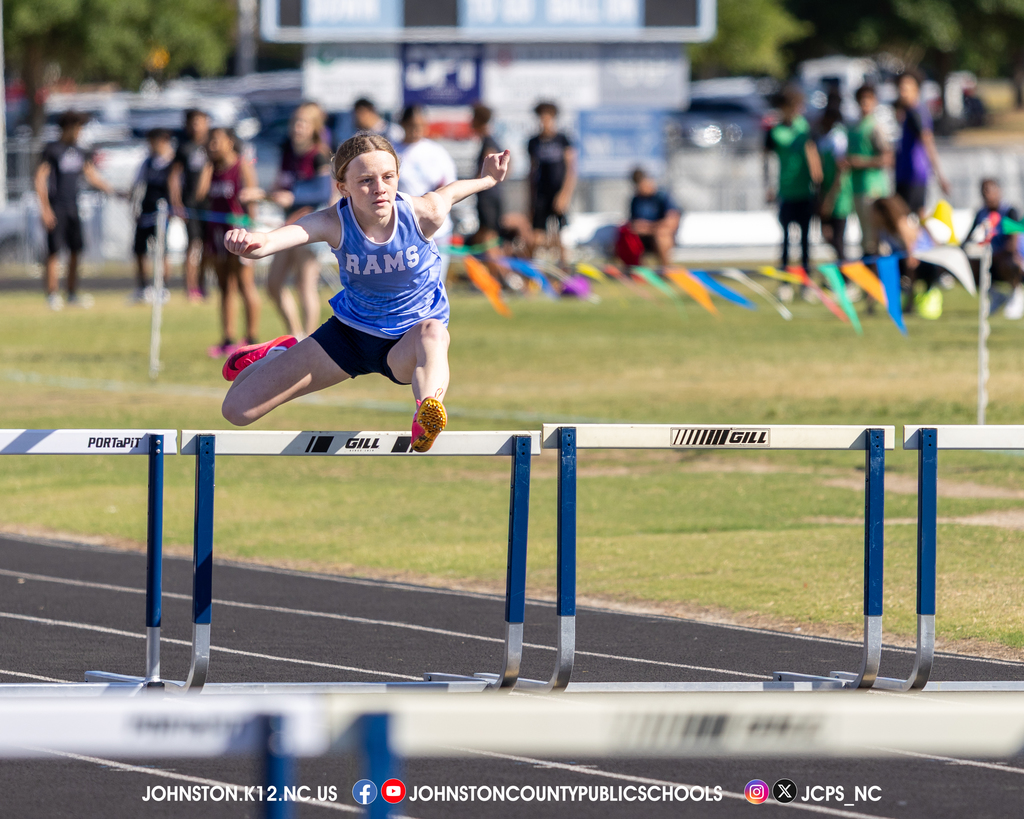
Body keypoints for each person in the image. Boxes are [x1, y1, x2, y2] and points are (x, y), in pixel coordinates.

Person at [217, 134, 510, 454]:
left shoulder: (424, 212)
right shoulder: (333, 221)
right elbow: (284, 237)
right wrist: (254, 243)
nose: (380, 188)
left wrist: (486, 178)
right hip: (349, 337)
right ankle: (279, 352)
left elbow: (451, 191)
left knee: (434, 333)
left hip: (406, 342)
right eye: (366, 180)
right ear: (344, 187)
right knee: (237, 410)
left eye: (388, 177)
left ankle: (427, 413)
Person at [34, 111, 116, 310]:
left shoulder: (80, 150)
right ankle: (52, 294)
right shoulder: (52, 150)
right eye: (78, 127)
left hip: (73, 207)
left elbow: (90, 173)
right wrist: (45, 208)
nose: (80, 132)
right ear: (68, 127)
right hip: (56, 207)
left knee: (75, 251)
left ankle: (71, 293)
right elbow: (40, 178)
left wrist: (111, 189)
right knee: (54, 251)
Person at [266, 102, 334, 338]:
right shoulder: (287, 151)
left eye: (302, 123)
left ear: (313, 127)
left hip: (310, 227)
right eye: (295, 123)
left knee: (305, 286)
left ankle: (310, 339)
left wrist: (293, 196)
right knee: (273, 284)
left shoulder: (318, 156)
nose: (297, 128)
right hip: (287, 226)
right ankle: (295, 336)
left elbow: (323, 192)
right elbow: (281, 183)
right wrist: (265, 194)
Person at [195, 128, 262, 357]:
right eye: (210, 142)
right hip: (217, 234)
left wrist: (252, 231)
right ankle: (227, 339)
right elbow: (200, 194)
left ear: (230, 142)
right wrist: (207, 165)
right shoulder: (212, 169)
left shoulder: (242, 165)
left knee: (245, 284)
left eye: (217, 141)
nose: (212, 145)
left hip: (240, 232)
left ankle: (252, 338)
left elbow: (252, 199)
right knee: (224, 287)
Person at [764, 86, 823, 278]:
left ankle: (806, 279)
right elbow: (766, 160)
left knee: (806, 240)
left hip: (805, 191)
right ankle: (785, 281)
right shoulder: (774, 131)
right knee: (786, 238)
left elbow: (813, 156)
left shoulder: (805, 129)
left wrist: (818, 184)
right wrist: (769, 186)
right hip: (786, 191)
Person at [396, 105, 458, 282]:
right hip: (404, 229)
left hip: (438, 229)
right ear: (402, 124)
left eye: (420, 124)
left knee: (435, 282)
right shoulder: (392, 152)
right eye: (412, 124)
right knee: (409, 284)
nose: (416, 129)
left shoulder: (436, 152)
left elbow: (449, 187)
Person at [961, 178, 1024, 319]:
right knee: (965, 265)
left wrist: (991, 255)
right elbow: (968, 239)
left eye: (988, 191)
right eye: (983, 192)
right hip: (988, 260)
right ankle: (995, 295)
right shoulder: (981, 214)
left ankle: (1016, 294)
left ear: (998, 191)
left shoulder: (1010, 211)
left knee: (1010, 262)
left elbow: (1012, 245)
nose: (986, 195)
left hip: (1008, 260)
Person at [871, 195, 943, 317]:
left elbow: (911, 253)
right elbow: (876, 251)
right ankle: (873, 303)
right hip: (902, 259)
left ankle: (909, 302)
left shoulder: (901, 223)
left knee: (909, 267)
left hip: (925, 260)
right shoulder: (880, 228)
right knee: (879, 267)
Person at [894, 70, 950, 220]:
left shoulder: (918, 112)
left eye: (906, 88)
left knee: (912, 216)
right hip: (903, 172)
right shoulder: (906, 112)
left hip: (914, 174)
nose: (902, 92)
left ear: (916, 89)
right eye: (900, 88)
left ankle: (930, 241)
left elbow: (928, 142)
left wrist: (940, 176)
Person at [168, 109, 211, 302]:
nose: (197, 126)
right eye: (194, 122)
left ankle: (204, 285)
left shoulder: (214, 144)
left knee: (210, 247)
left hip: (211, 204)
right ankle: (190, 288)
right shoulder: (184, 147)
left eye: (200, 122)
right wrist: (176, 203)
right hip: (191, 203)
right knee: (193, 245)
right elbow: (174, 176)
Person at [527, 102, 576, 265]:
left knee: (562, 238)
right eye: (541, 118)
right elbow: (531, 172)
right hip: (541, 194)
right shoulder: (533, 142)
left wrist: (565, 195)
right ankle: (532, 277)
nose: (544, 122)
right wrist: (530, 201)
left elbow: (571, 170)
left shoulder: (563, 140)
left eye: (547, 118)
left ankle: (565, 274)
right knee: (536, 238)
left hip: (558, 193)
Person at [848, 85, 893, 260]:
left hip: (873, 188)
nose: (864, 104)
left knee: (876, 237)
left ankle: (879, 280)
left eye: (868, 100)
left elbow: (887, 158)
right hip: (857, 187)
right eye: (861, 100)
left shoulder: (875, 127)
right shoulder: (855, 127)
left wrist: (860, 162)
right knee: (866, 236)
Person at [130, 128, 175, 304]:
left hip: (163, 213)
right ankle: (143, 287)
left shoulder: (173, 163)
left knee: (162, 251)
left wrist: (173, 209)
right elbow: (137, 185)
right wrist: (134, 207)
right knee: (139, 249)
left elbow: (176, 188)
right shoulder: (147, 163)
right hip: (146, 211)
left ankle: (163, 287)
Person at [617, 167, 680, 267]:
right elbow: (634, 224)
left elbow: (671, 223)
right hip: (641, 238)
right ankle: (635, 271)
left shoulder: (662, 197)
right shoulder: (636, 200)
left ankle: (666, 270)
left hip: (661, 236)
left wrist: (647, 227)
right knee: (625, 234)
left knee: (661, 235)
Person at [816, 108, 853, 262]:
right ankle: (842, 272)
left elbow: (841, 171)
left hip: (839, 197)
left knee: (838, 239)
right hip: (828, 194)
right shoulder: (825, 138)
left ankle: (846, 277)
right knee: (829, 236)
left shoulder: (838, 138)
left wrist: (829, 199)